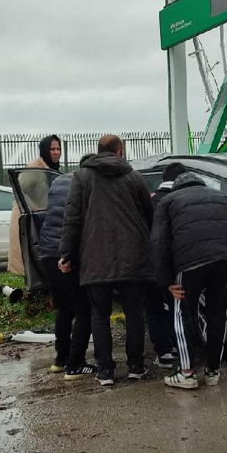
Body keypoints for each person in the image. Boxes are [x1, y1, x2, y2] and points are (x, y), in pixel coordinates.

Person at [59, 135, 154, 387]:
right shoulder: (134, 177)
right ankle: (136, 365)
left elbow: (72, 218)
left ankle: (105, 371)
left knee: (99, 314)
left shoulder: (81, 177)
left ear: (98, 151)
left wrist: (66, 253)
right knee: (134, 312)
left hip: (95, 256)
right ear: (119, 151)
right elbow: (149, 215)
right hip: (133, 257)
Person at [151, 171, 227, 389]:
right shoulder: (226, 198)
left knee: (182, 313)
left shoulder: (168, 202)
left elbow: (159, 242)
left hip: (189, 263)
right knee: (218, 314)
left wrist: (166, 281)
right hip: (225, 261)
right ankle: (212, 371)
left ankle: (187, 373)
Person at [38, 154, 95, 379]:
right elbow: (75, 223)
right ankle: (76, 364)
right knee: (84, 308)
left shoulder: (59, 181)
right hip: (65, 253)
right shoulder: (86, 184)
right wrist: (70, 255)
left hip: (46, 251)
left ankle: (61, 359)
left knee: (65, 307)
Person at [146, 162, 188, 369]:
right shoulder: (183, 200)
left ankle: (163, 351)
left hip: (151, 263)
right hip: (179, 263)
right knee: (178, 306)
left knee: (153, 306)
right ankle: (181, 348)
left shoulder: (150, 201)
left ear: (163, 179)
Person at [8, 135, 61, 275]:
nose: (56, 152)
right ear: (44, 150)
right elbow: (20, 191)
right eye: (52, 149)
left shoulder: (51, 169)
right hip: (29, 217)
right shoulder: (35, 168)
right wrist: (32, 208)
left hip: (42, 217)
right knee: (30, 259)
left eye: (58, 148)